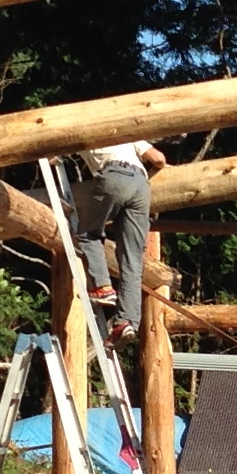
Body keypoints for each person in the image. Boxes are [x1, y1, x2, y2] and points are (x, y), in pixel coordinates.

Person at [69, 139, 162, 344]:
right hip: (141, 186)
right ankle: (126, 321)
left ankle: (102, 286)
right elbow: (159, 159)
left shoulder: (86, 132)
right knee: (132, 259)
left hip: (115, 176)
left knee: (87, 233)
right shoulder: (128, 134)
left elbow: (53, 155)